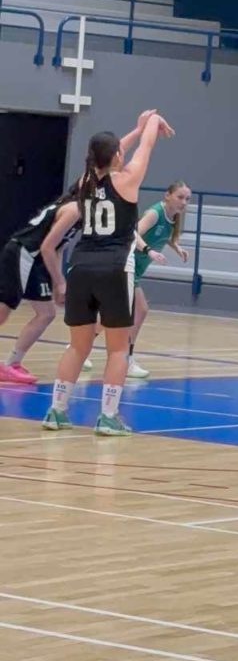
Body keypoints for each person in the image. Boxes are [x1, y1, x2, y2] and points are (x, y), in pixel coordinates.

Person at [41, 111, 173, 436]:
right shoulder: (127, 180)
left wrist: (134, 129)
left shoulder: (84, 182)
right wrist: (151, 123)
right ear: (115, 156)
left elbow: (109, 154)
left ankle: (57, 411)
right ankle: (108, 416)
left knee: (77, 346)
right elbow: (146, 147)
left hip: (80, 267)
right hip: (114, 267)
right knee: (118, 348)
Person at [0, 187, 81, 385]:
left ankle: (11, 364)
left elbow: (59, 249)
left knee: (47, 313)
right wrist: (60, 282)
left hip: (36, 259)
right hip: (23, 252)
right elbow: (47, 247)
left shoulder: (81, 213)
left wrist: (56, 283)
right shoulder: (74, 209)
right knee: (4, 309)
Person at [126, 181, 191, 378]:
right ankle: (126, 359)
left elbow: (165, 235)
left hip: (137, 270)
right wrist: (149, 251)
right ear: (167, 195)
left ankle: (80, 345)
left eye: (187, 199)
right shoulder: (155, 213)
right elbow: (133, 233)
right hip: (127, 266)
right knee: (140, 310)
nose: (184, 202)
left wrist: (177, 247)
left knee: (115, 315)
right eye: (180, 197)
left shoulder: (174, 217)